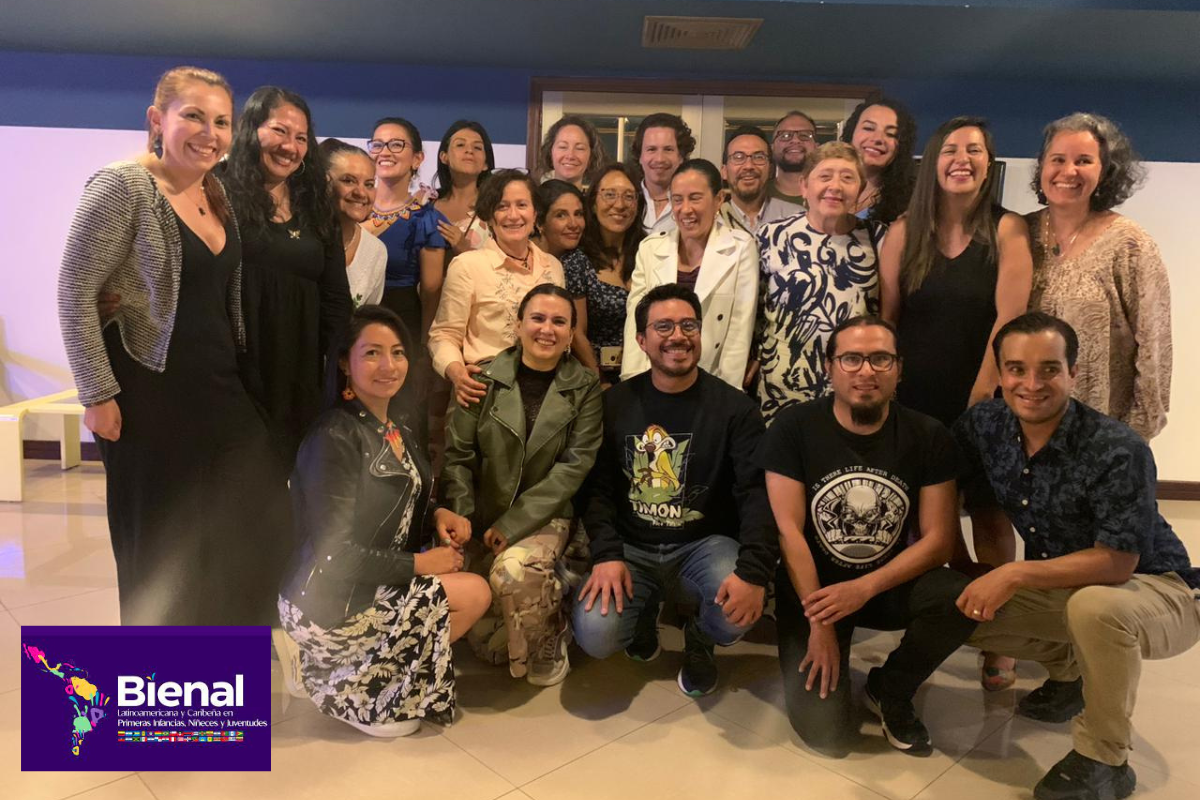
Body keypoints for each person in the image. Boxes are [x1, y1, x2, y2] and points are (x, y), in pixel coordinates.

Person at [58, 66, 288, 626]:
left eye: (221, 122)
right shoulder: (123, 186)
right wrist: (97, 393)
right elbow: (74, 292)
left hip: (221, 391)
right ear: (157, 120)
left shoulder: (216, 190)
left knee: (248, 534)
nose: (209, 133)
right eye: (193, 116)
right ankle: (163, 696)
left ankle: (222, 678)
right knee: (159, 550)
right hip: (148, 395)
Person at [954, 312, 1199, 800]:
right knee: (946, 606)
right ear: (1000, 374)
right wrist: (962, 567)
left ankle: (1105, 758)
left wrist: (1014, 573)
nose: (1031, 383)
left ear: (1073, 372)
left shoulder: (1117, 447)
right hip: (1069, 588)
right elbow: (940, 487)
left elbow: (1117, 564)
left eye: (1049, 368)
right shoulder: (985, 425)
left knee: (1095, 608)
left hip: (1160, 590)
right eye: (1017, 369)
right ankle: (1068, 674)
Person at [758, 315, 973, 757]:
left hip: (885, 582)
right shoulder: (793, 428)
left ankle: (891, 687)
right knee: (828, 736)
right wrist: (819, 621)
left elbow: (939, 542)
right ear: (830, 367)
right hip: (813, 589)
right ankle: (828, 652)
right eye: (852, 359)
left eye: (880, 359)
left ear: (899, 369)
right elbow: (788, 531)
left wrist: (864, 587)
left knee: (960, 596)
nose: (866, 371)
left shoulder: (929, 435)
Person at [278, 305, 491, 738]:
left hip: (369, 583)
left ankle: (358, 675)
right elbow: (335, 556)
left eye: (397, 353)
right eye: (372, 353)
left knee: (471, 592)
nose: (388, 366)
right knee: (471, 590)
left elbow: (400, 497)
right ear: (345, 362)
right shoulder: (334, 437)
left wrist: (437, 514)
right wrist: (420, 565)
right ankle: (330, 675)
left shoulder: (397, 427)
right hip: (328, 600)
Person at [574, 284, 777, 697]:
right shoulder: (614, 405)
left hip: (704, 545)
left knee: (737, 614)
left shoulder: (736, 409)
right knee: (596, 634)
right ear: (642, 341)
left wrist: (754, 573)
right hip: (631, 545)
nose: (678, 336)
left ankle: (701, 635)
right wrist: (606, 553)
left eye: (689, 325)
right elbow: (597, 488)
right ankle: (644, 609)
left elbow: (757, 495)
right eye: (663, 326)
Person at [440, 285, 603, 684]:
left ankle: (551, 630)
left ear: (570, 334)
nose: (547, 329)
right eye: (538, 318)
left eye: (559, 322)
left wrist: (513, 525)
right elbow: (458, 457)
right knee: (490, 647)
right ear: (518, 324)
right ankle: (550, 591)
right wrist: (461, 518)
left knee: (512, 573)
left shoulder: (584, 388)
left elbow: (573, 467)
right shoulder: (482, 378)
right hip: (482, 513)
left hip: (548, 515)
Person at [222, 86, 353, 471]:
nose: (290, 147)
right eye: (279, 131)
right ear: (251, 130)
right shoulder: (217, 190)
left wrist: (336, 368)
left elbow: (336, 296)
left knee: (293, 474)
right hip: (237, 363)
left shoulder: (316, 202)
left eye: (301, 138)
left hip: (302, 365)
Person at [880, 117, 1033, 428]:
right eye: (949, 151)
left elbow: (1010, 319)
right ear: (933, 163)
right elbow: (888, 317)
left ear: (988, 164)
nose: (962, 160)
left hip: (981, 393)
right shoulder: (903, 231)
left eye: (974, 150)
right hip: (910, 394)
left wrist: (983, 391)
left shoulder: (1008, 228)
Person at [1026, 113, 1170, 440]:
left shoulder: (1130, 244)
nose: (1068, 171)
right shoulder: (1017, 234)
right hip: (1021, 428)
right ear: (1042, 167)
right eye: (1058, 159)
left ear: (1105, 171)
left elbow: (1154, 346)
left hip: (1100, 432)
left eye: (1084, 160)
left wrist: (1134, 435)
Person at [756, 142, 881, 423]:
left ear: (860, 191)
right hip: (784, 386)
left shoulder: (879, 239)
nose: (835, 186)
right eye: (825, 176)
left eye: (848, 178)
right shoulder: (770, 236)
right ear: (804, 186)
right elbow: (753, 311)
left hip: (857, 386)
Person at [428, 170, 566, 408]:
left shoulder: (553, 267)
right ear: (489, 217)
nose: (513, 215)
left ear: (535, 213)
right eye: (502, 206)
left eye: (522, 205)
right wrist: (457, 372)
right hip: (485, 393)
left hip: (548, 395)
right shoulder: (467, 266)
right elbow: (443, 335)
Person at [621, 159, 757, 389]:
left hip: (711, 382)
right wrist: (633, 383)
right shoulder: (651, 247)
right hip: (655, 379)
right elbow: (636, 322)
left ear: (718, 200)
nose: (685, 209)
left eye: (695, 198)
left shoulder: (741, 247)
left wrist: (726, 395)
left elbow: (738, 331)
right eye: (677, 199)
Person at [363, 117, 448, 340]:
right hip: (350, 320)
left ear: (417, 159)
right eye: (378, 144)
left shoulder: (427, 219)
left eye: (397, 144)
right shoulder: (352, 208)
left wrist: (423, 345)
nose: (385, 152)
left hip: (401, 324)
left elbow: (431, 292)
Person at [569, 163, 646, 385]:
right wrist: (598, 381)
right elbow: (577, 333)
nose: (619, 205)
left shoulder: (650, 252)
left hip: (646, 373)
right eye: (609, 195)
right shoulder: (577, 260)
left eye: (629, 197)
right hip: (594, 377)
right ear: (592, 203)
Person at [319, 139, 386, 309]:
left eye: (369, 184)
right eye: (348, 181)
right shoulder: (300, 241)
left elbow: (366, 320)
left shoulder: (376, 251)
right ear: (324, 183)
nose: (361, 192)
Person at [840, 95, 917, 227]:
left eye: (891, 134)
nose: (878, 139)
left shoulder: (913, 203)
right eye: (869, 128)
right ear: (851, 133)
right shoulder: (826, 186)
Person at [718, 125, 802, 235]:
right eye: (738, 157)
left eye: (758, 157)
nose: (748, 166)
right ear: (724, 171)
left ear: (771, 170)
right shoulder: (711, 220)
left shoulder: (796, 218)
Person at [432, 120, 496, 255]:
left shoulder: (495, 209)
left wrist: (465, 250)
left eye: (477, 147)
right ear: (444, 157)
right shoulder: (427, 204)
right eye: (460, 145)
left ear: (485, 164)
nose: (469, 151)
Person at [631, 113, 695, 235]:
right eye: (651, 149)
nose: (659, 159)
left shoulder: (695, 205)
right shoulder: (625, 201)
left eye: (668, 149)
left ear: (681, 156)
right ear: (640, 156)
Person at [536, 115, 608, 189]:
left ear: (591, 156)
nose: (570, 155)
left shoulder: (595, 200)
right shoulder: (534, 199)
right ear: (550, 152)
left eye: (580, 148)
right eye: (563, 147)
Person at [767, 110, 819, 205]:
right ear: (772, 148)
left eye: (804, 135)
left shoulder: (830, 195)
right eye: (785, 135)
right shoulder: (757, 195)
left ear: (816, 147)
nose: (795, 140)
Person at [536, 179, 586, 259]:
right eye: (561, 215)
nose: (573, 224)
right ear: (539, 223)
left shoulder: (582, 261)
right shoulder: (521, 259)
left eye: (578, 214)